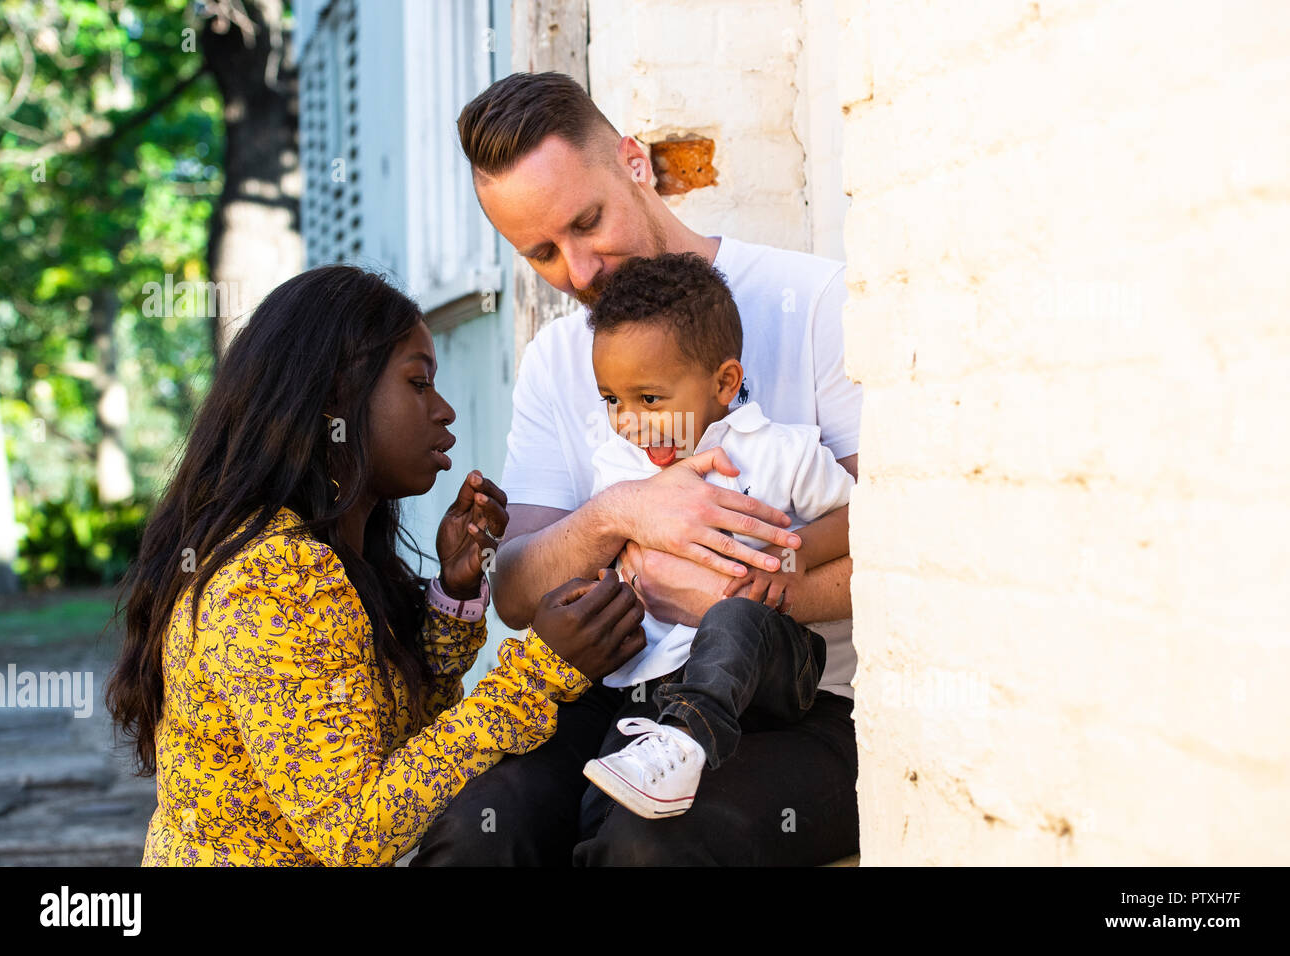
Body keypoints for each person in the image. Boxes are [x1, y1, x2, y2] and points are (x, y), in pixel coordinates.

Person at [412, 71, 862, 866]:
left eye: (587, 222)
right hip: (627, 696)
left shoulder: (813, 301)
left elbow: (896, 540)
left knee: (647, 845)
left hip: (806, 704)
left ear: (633, 163)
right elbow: (516, 589)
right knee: (479, 824)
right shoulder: (556, 359)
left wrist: (759, 598)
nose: (580, 270)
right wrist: (622, 512)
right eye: (542, 253)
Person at [106, 265, 645, 866]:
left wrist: (453, 595)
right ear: (337, 395)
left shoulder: (329, 555)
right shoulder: (270, 577)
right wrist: (542, 670)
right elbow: (355, 832)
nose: (444, 411)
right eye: (418, 384)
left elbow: (401, 749)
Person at [580, 252, 855, 820]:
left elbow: (860, 517)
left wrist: (785, 561)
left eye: (650, 399)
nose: (629, 422)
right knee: (600, 809)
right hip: (656, 684)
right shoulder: (619, 466)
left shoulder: (779, 451)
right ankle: (675, 745)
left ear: (725, 382)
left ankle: (689, 738)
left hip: (776, 670)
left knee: (732, 617)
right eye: (612, 400)